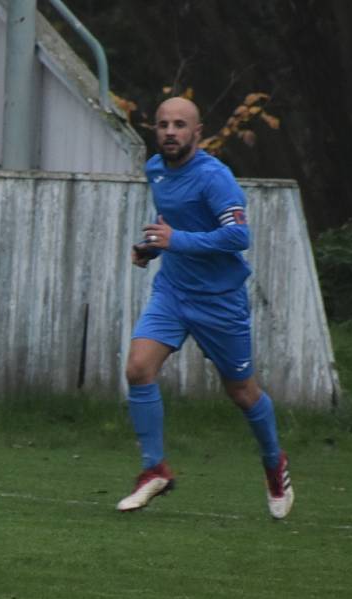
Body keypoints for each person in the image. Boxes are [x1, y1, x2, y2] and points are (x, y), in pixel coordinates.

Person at [117, 97, 293, 519]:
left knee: (242, 392)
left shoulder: (216, 178)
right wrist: (152, 248)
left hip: (219, 302)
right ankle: (154, 469)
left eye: (180, 125)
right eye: (162, 124)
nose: (170, 132)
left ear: (197, 132)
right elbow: (173, 222)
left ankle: (274, 462)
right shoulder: (156, 169)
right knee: (138, 369)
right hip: (173, 293)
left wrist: (177, 241)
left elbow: (238, 238)